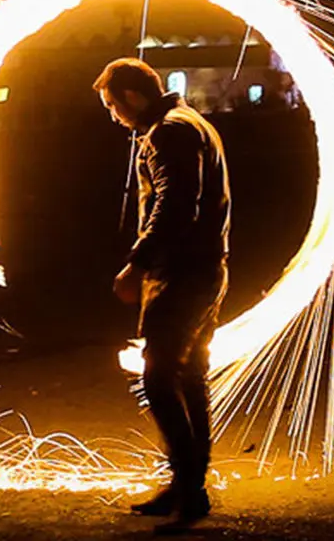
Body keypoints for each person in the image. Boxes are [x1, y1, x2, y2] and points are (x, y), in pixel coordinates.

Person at [94, 57, 231, 532]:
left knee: (159, 377)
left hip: (182, 274)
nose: (112, 116)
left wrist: (138, 263)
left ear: (132, 97)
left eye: (112, 105)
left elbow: (176, 204)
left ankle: (190, 491)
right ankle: (187, 486)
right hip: (203, 268)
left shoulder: (168, 132)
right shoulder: (191, 123)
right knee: (188, 376)